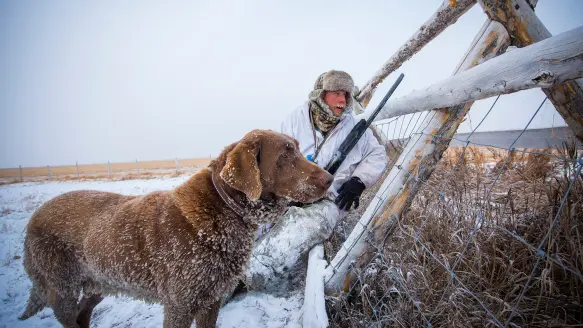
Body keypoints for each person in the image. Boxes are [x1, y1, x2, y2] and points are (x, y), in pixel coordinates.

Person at [246, 70, 387, 291]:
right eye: (337, 93)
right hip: (293, 192)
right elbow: (279, 160)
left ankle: (251, 276)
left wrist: (359, 181)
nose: (343, 100)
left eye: (347, 95)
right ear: (321, 94)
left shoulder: (354, 127)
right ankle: (238, 262)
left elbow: (378, 155)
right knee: (260, 218)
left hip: (330, 198)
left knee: (309, 225)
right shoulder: (294, 120)